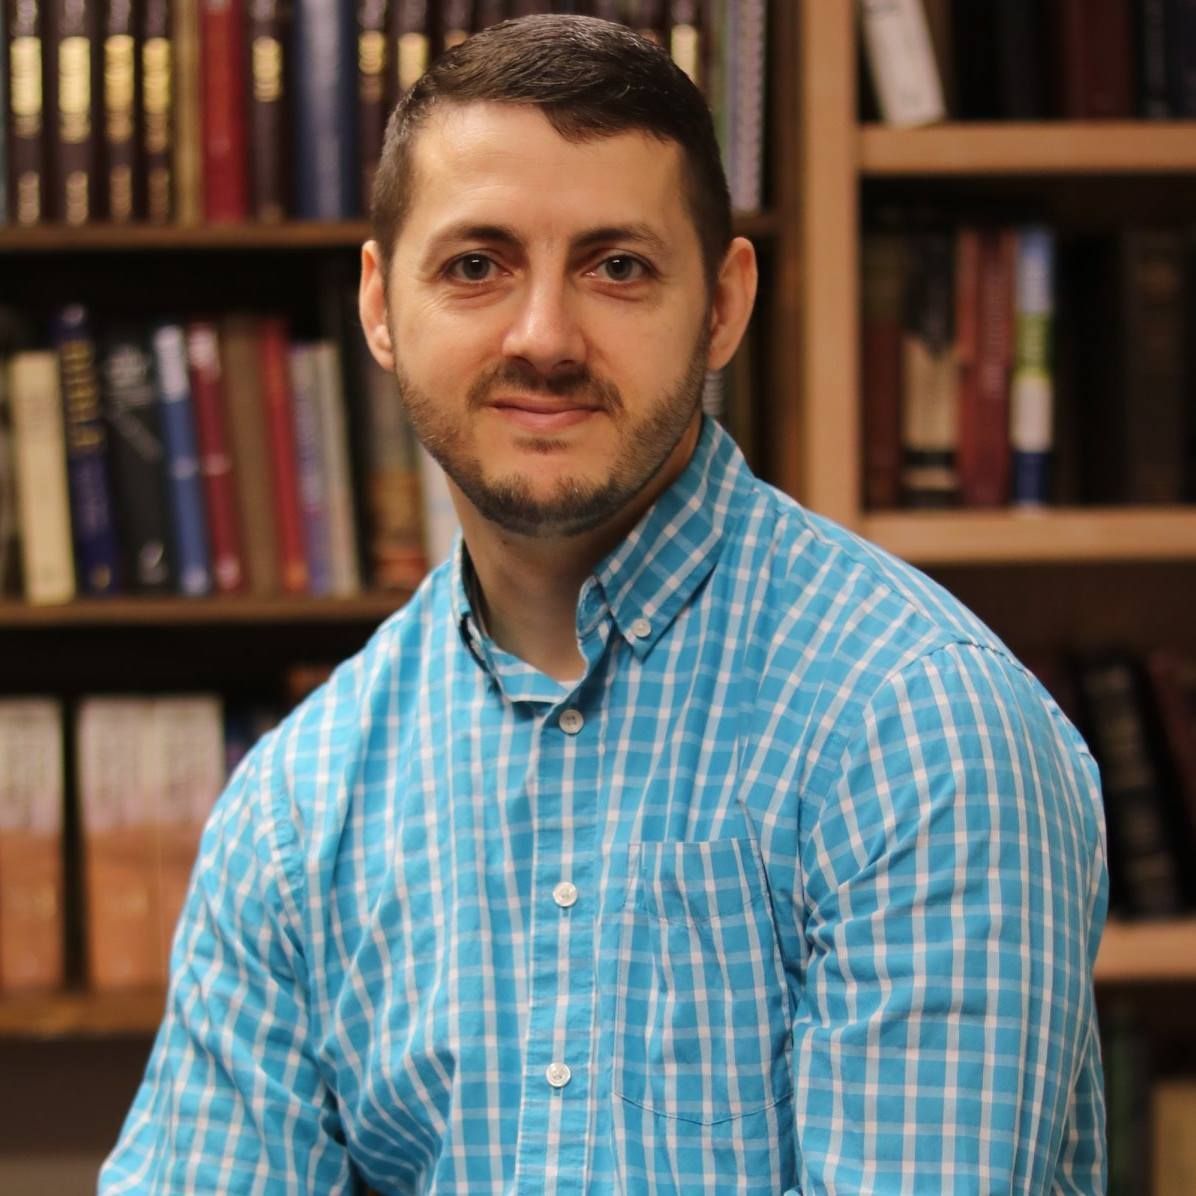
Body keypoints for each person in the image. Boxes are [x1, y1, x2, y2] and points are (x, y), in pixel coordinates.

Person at [101, 15, 1108, 1194]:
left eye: (616, 266)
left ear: (721, 304)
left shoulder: (918, 728)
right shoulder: (296, 806)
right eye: (474, 265)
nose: (543, 337)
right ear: (379, 305)